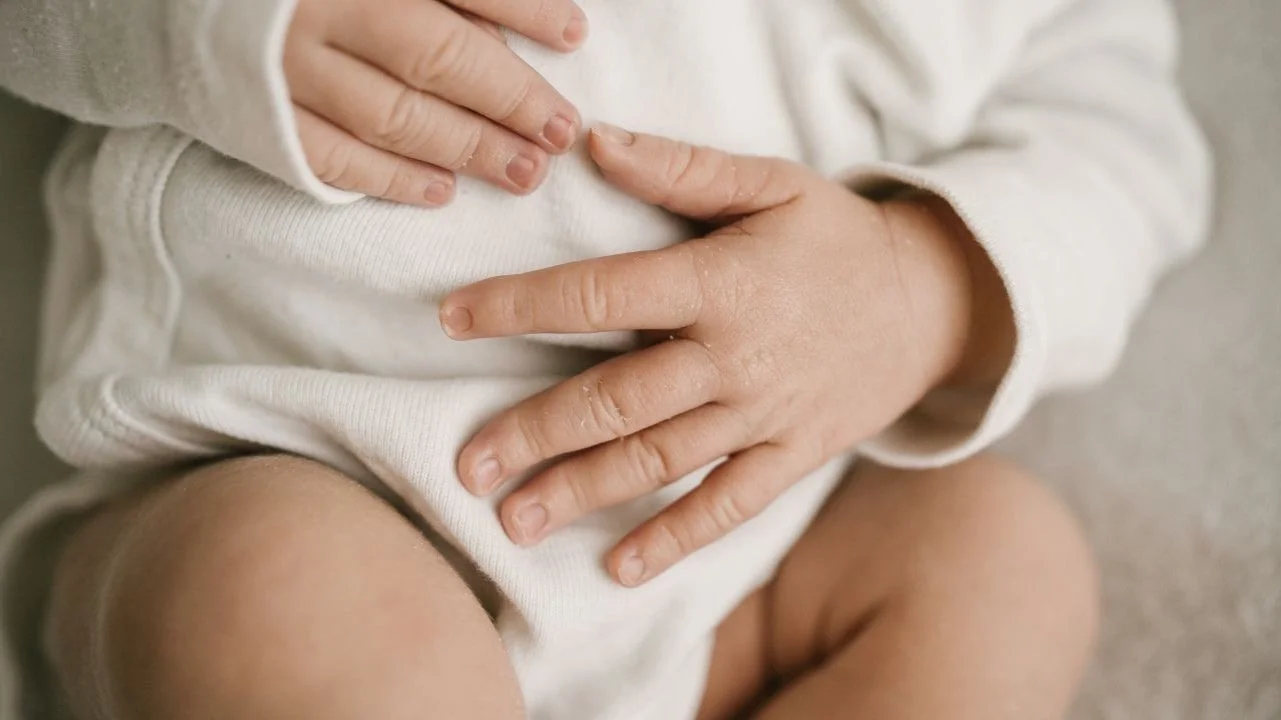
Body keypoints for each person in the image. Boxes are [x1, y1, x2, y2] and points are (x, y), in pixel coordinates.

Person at [0, 0, 1210, 717]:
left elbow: (1128, 154)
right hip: (284, 465)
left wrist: (921, 283)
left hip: (744, 579)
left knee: (1003, 562)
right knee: (263, 594)